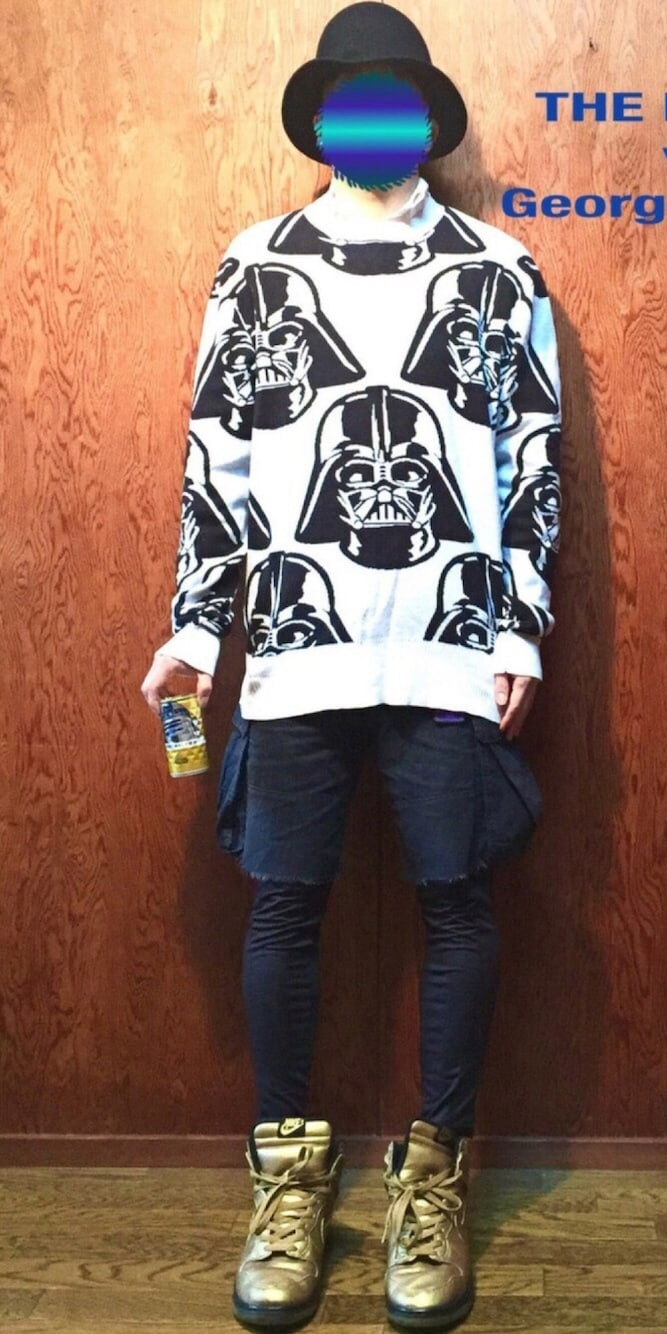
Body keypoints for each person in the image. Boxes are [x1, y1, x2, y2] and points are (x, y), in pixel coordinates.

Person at [139, 4, 562, 1330]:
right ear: (325, 122)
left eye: (394, 100)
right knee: (285, 904)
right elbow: (216, 455)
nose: (374, 123)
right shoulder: (255, 267)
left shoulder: (501, 269)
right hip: (297, 641)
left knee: (458, 900)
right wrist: (196, 630)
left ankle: (435, 1179)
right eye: (352, 101)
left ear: (425, 120)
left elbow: (531, 454)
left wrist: (520, 622)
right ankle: (288, 1187)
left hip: (449, 636)